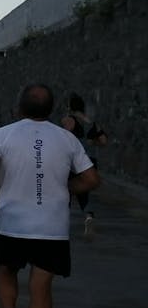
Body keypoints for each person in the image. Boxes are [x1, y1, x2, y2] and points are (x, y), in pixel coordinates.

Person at [0, 83, 100, 308]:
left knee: (6, 271)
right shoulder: (67, 139)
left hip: (12, 225)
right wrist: (68, 188)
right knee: (42, 288)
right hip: (52, 229)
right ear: (51, 109)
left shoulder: (2, 134)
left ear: (20, 106)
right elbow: (92, 179)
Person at [59, 93, 98, 235]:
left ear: (70, 106)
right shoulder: (90, 121)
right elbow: (102, 141)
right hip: (89, 160)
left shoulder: (69, 120)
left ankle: (63, 220)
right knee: (84, 192)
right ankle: (88, 216)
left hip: (73, 160)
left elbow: (65, 138)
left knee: (66, 189)